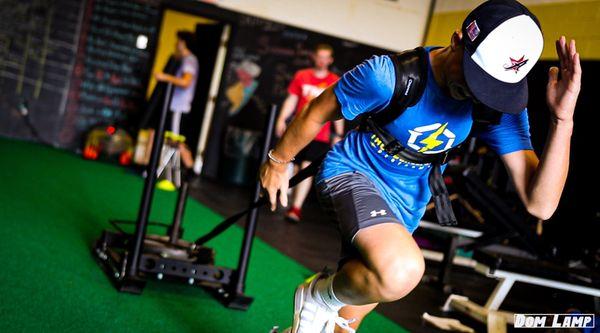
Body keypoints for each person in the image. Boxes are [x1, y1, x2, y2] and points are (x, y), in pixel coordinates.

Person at [259, 1, 581, 332]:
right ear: (458, 40)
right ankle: (318, 296)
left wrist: (562, 119)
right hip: (354, 173)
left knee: (341, 326)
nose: (477, 93)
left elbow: (540, 205)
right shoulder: (387, 77)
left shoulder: (496, 106)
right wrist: (278, 161)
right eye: (475, 78)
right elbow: (318, 110)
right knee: (401, 271)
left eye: (490, 87)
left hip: (406, 203)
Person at [275, 44, 344, 222]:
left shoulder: (335, 81)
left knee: (306, 168)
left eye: (325, 57)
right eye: (319, 56)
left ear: (330, 60)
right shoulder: (302, 76)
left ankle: (296, 208)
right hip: (298, 130)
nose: (322, 61)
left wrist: (338, 134)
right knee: (292, 165)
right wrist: (281, 118)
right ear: (314, 57)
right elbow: (292, 99)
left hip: (319, 135)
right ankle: (283, 198)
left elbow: (339, 110)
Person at [154, 30, 199, 135]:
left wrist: (164, 77)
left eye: (178, 41)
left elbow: (185, 82)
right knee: (168, 139)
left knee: (175, 142)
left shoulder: (189, 60)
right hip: (175, 105)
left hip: (180, 106)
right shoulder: (183, 59)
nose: (176, 43)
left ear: (183, 43)